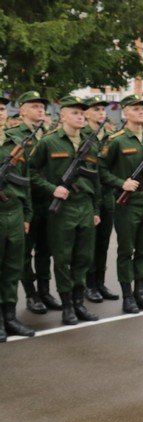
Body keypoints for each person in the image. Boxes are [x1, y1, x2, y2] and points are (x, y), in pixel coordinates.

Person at [28, 95, 101, 325]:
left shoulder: (92, 143)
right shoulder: (49, 142)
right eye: (74, 113)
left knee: (84, 257)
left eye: (82, 113)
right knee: (62, 258)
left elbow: (96, 179)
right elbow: (29, 172)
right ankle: (67, 305)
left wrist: (96, 209)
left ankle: (80, 303)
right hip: (63, 210)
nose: (79, 116)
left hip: (85, 207)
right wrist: (52, 189)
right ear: (63, 116)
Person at [98, 94, 143, 314]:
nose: (140, 111)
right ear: (125, 113)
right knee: (127, 250)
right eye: (135, 109)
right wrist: (121, 183)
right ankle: (127, 296)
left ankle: (141, 293)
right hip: (127, 206)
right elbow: (101, 170)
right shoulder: (116, 140)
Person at [10, 91, 59, 315]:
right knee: (24, 253)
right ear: (22, 110)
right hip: (25, 202)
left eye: (42, 107)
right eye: (35, 106)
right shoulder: (14, 135)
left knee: (45, 250)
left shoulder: (50, 136)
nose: (40, 110)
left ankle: (45, 291)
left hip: (47, 202)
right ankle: (31, 294)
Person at [0, 94, 36, 341]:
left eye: (1, 109)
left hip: (14, 214)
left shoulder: (15, 143)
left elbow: (26, 183)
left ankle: (10, 317)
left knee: (13, 269)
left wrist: (26, 215)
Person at [81, 95, 120, 303]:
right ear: (86, 113)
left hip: (107, 196)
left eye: (102, 110)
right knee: (89, 244)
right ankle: (88, 285)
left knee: (103, 243)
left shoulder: (110, 136)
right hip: (90, 196)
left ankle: (100, 282)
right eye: (95, 109)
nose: (101, 113)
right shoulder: (83, 135)